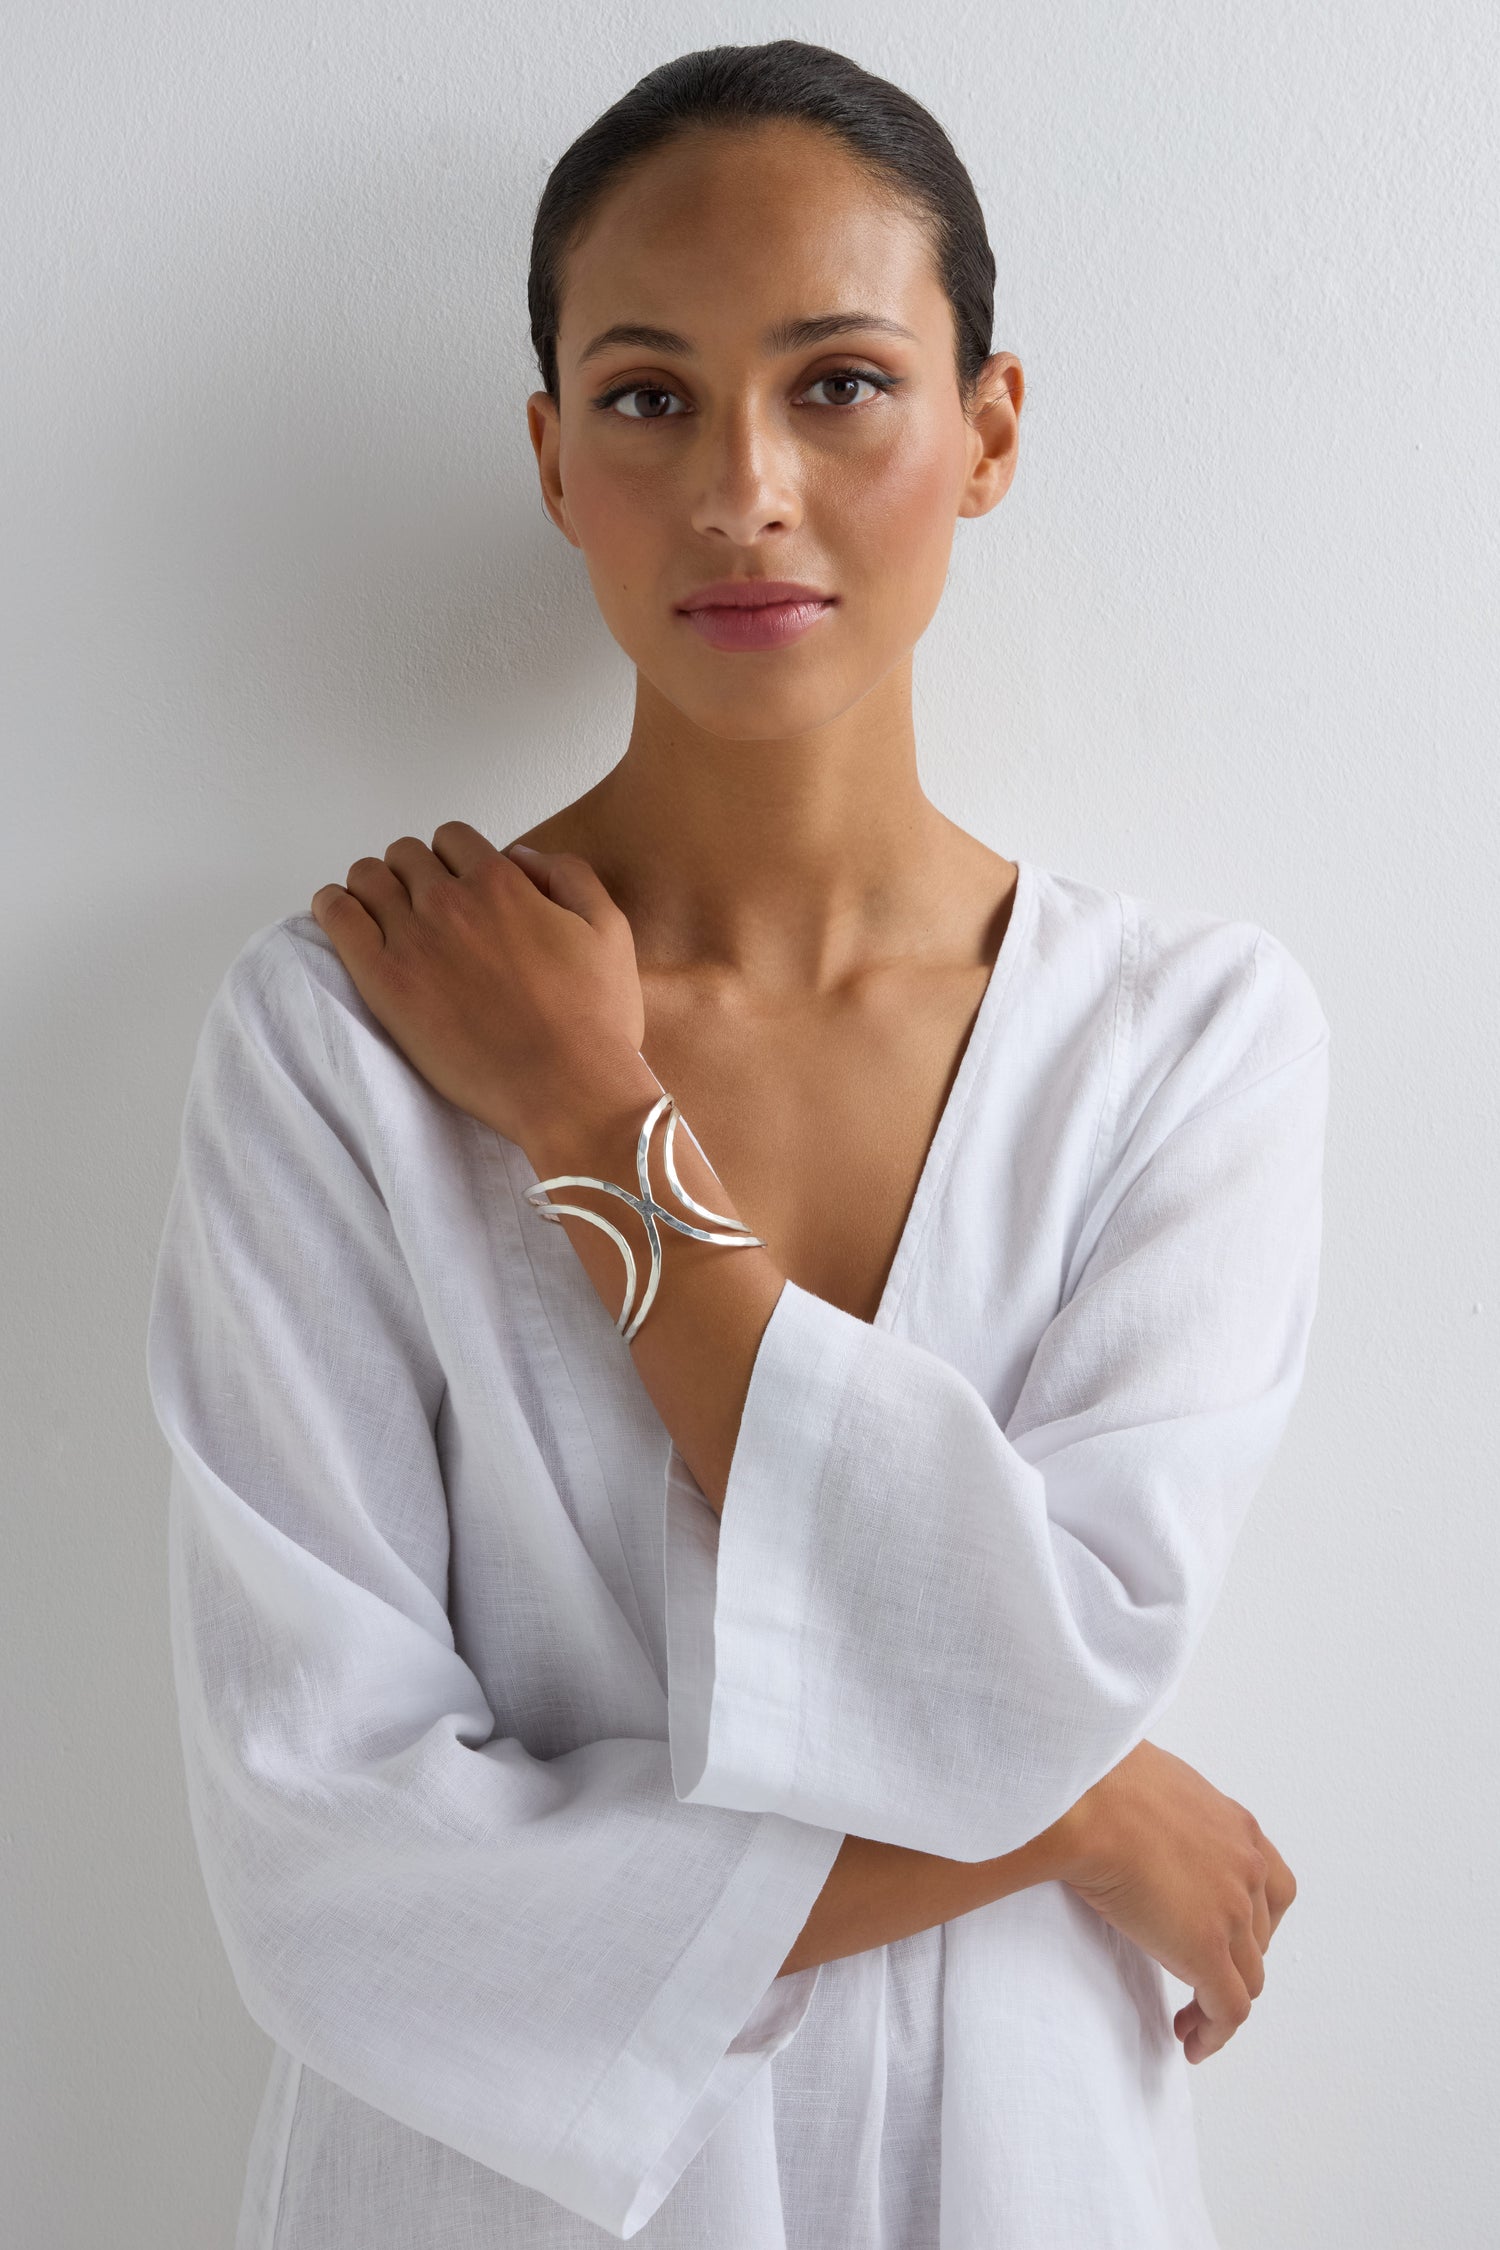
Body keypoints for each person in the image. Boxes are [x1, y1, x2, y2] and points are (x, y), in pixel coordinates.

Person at [146, 38, 1329, 2249]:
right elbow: (335, 1874)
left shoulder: (1185, 1049)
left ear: (987, 432)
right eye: (649, 395)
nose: (744, 487)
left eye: (843, 384)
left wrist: (597, 1130)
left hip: (1026, 2179)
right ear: (550, 455)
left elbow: (1044, 1677)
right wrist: (1073, 1831)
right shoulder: (337, 1046)